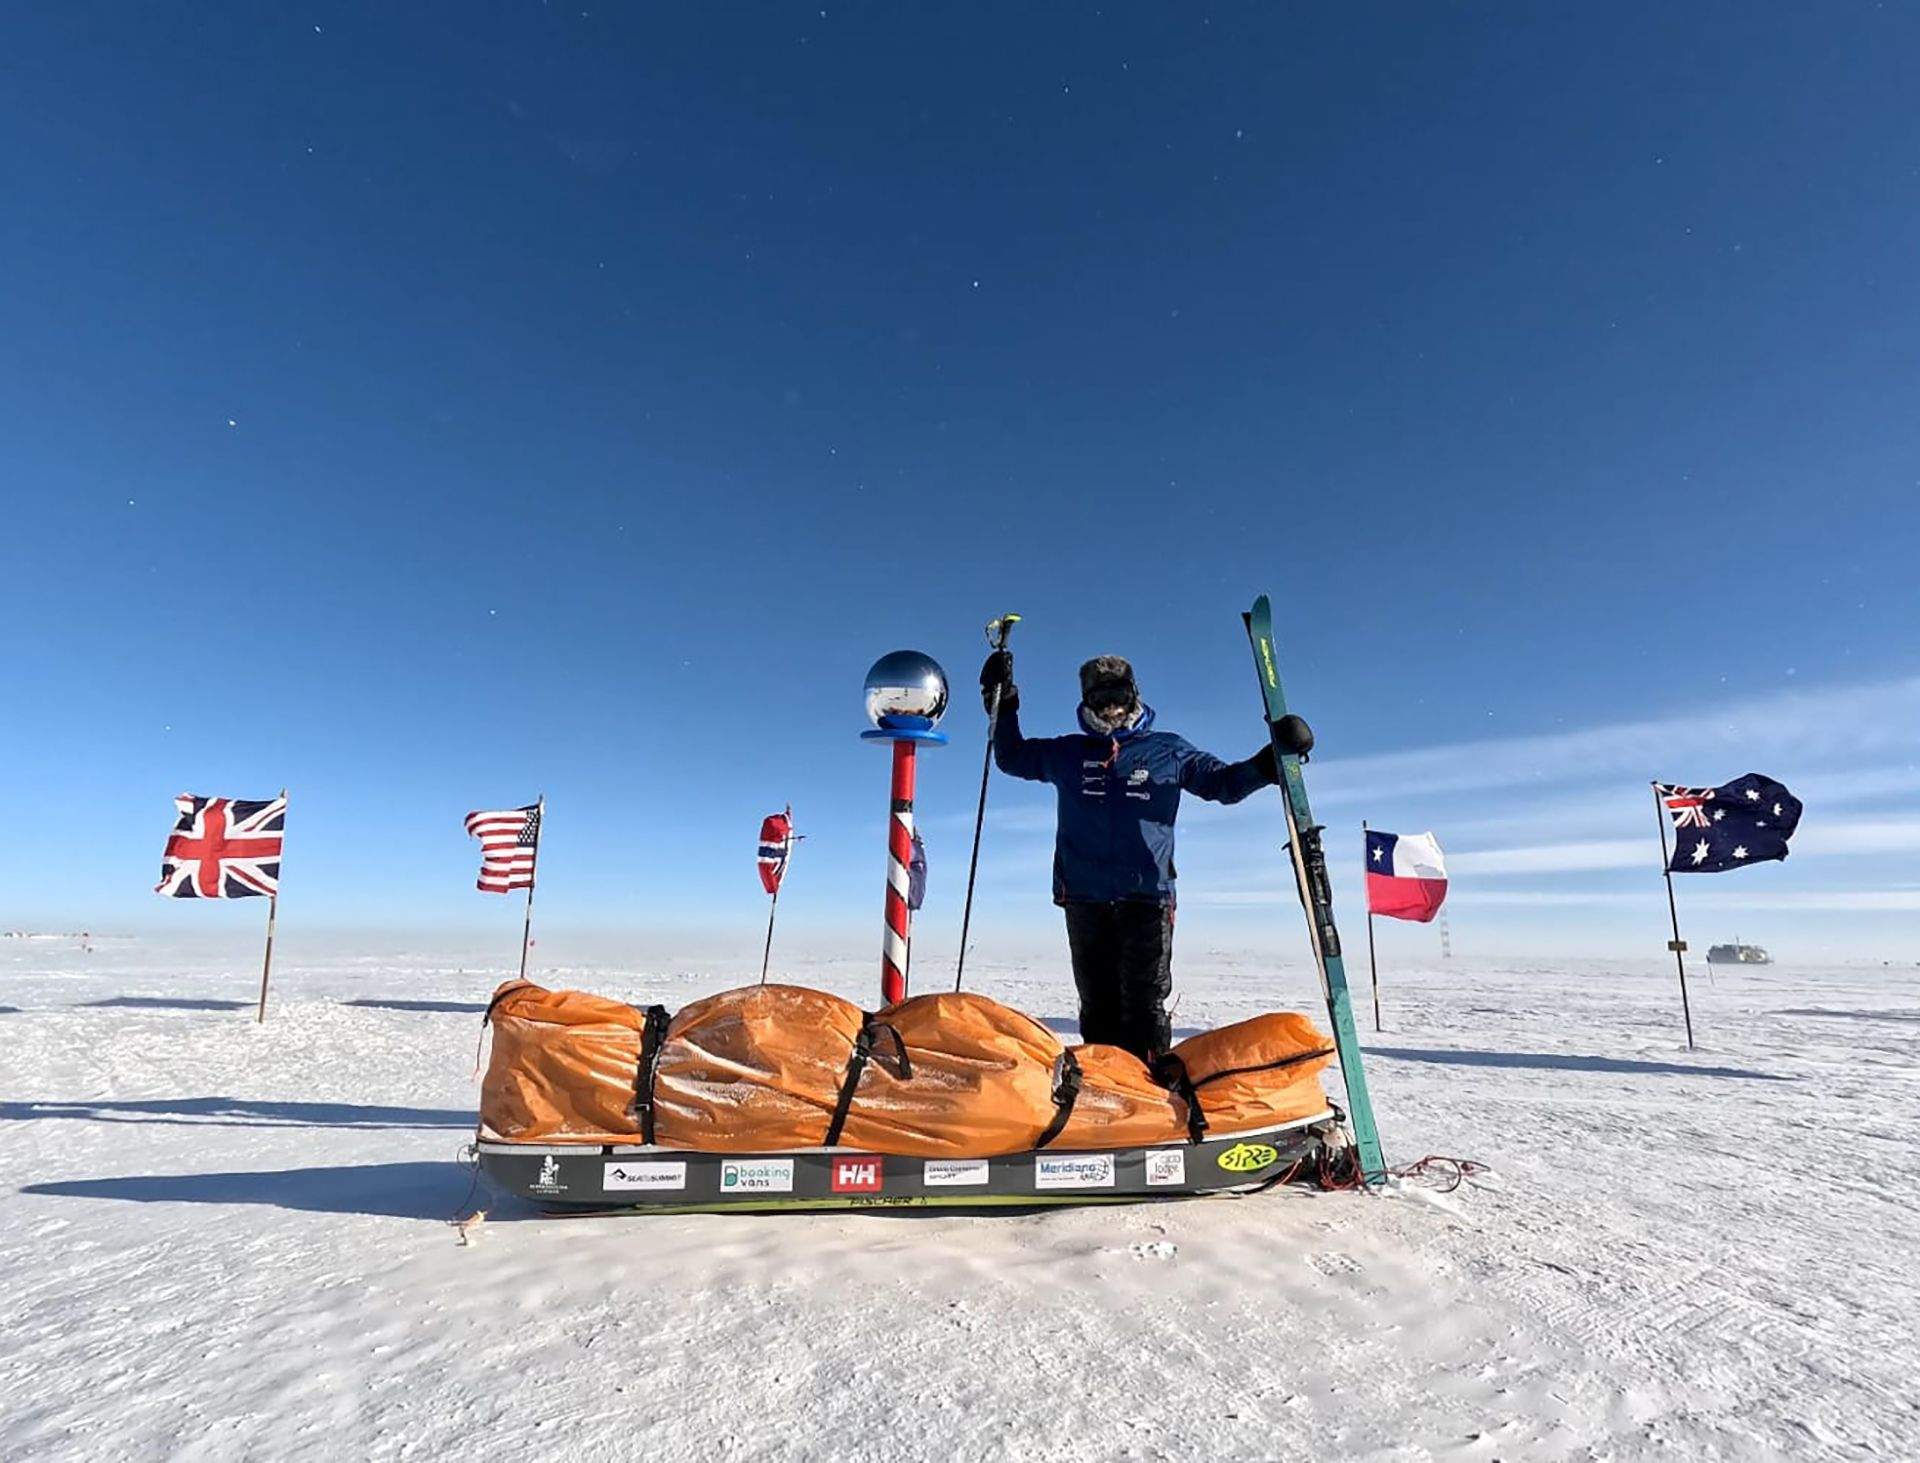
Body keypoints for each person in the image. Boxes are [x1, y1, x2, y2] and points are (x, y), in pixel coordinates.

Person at [980, 650, 1278, 1061]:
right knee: (1097, 1006)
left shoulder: (1168, 750)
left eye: (1118, 694)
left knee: (1145, 1007)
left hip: (1148, 898)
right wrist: (1002, 701)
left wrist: (1266, 764)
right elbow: (1011, 757)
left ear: (1133, 693)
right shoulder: (1068, 753)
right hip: (1084, 897)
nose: (1111, 706)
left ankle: (1151, 1091)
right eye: (1100, 697)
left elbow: (1223, 785)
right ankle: (1104, 1088)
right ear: (1086, 701)